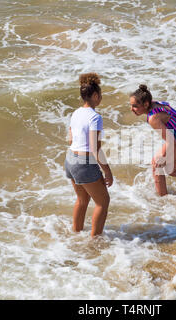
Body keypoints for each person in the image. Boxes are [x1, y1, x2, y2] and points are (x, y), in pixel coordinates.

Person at [64, 73, 113, 237]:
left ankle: (76, 234)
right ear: (95, 95)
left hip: (70, 159)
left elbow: (71, 139)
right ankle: (95, 242)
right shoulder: (95, 117)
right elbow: (95, 148)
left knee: (82, 200)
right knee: (103, 202)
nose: (101, 98)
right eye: (100, 95)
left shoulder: (76, 113)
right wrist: (107, 170)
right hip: (84, 163)